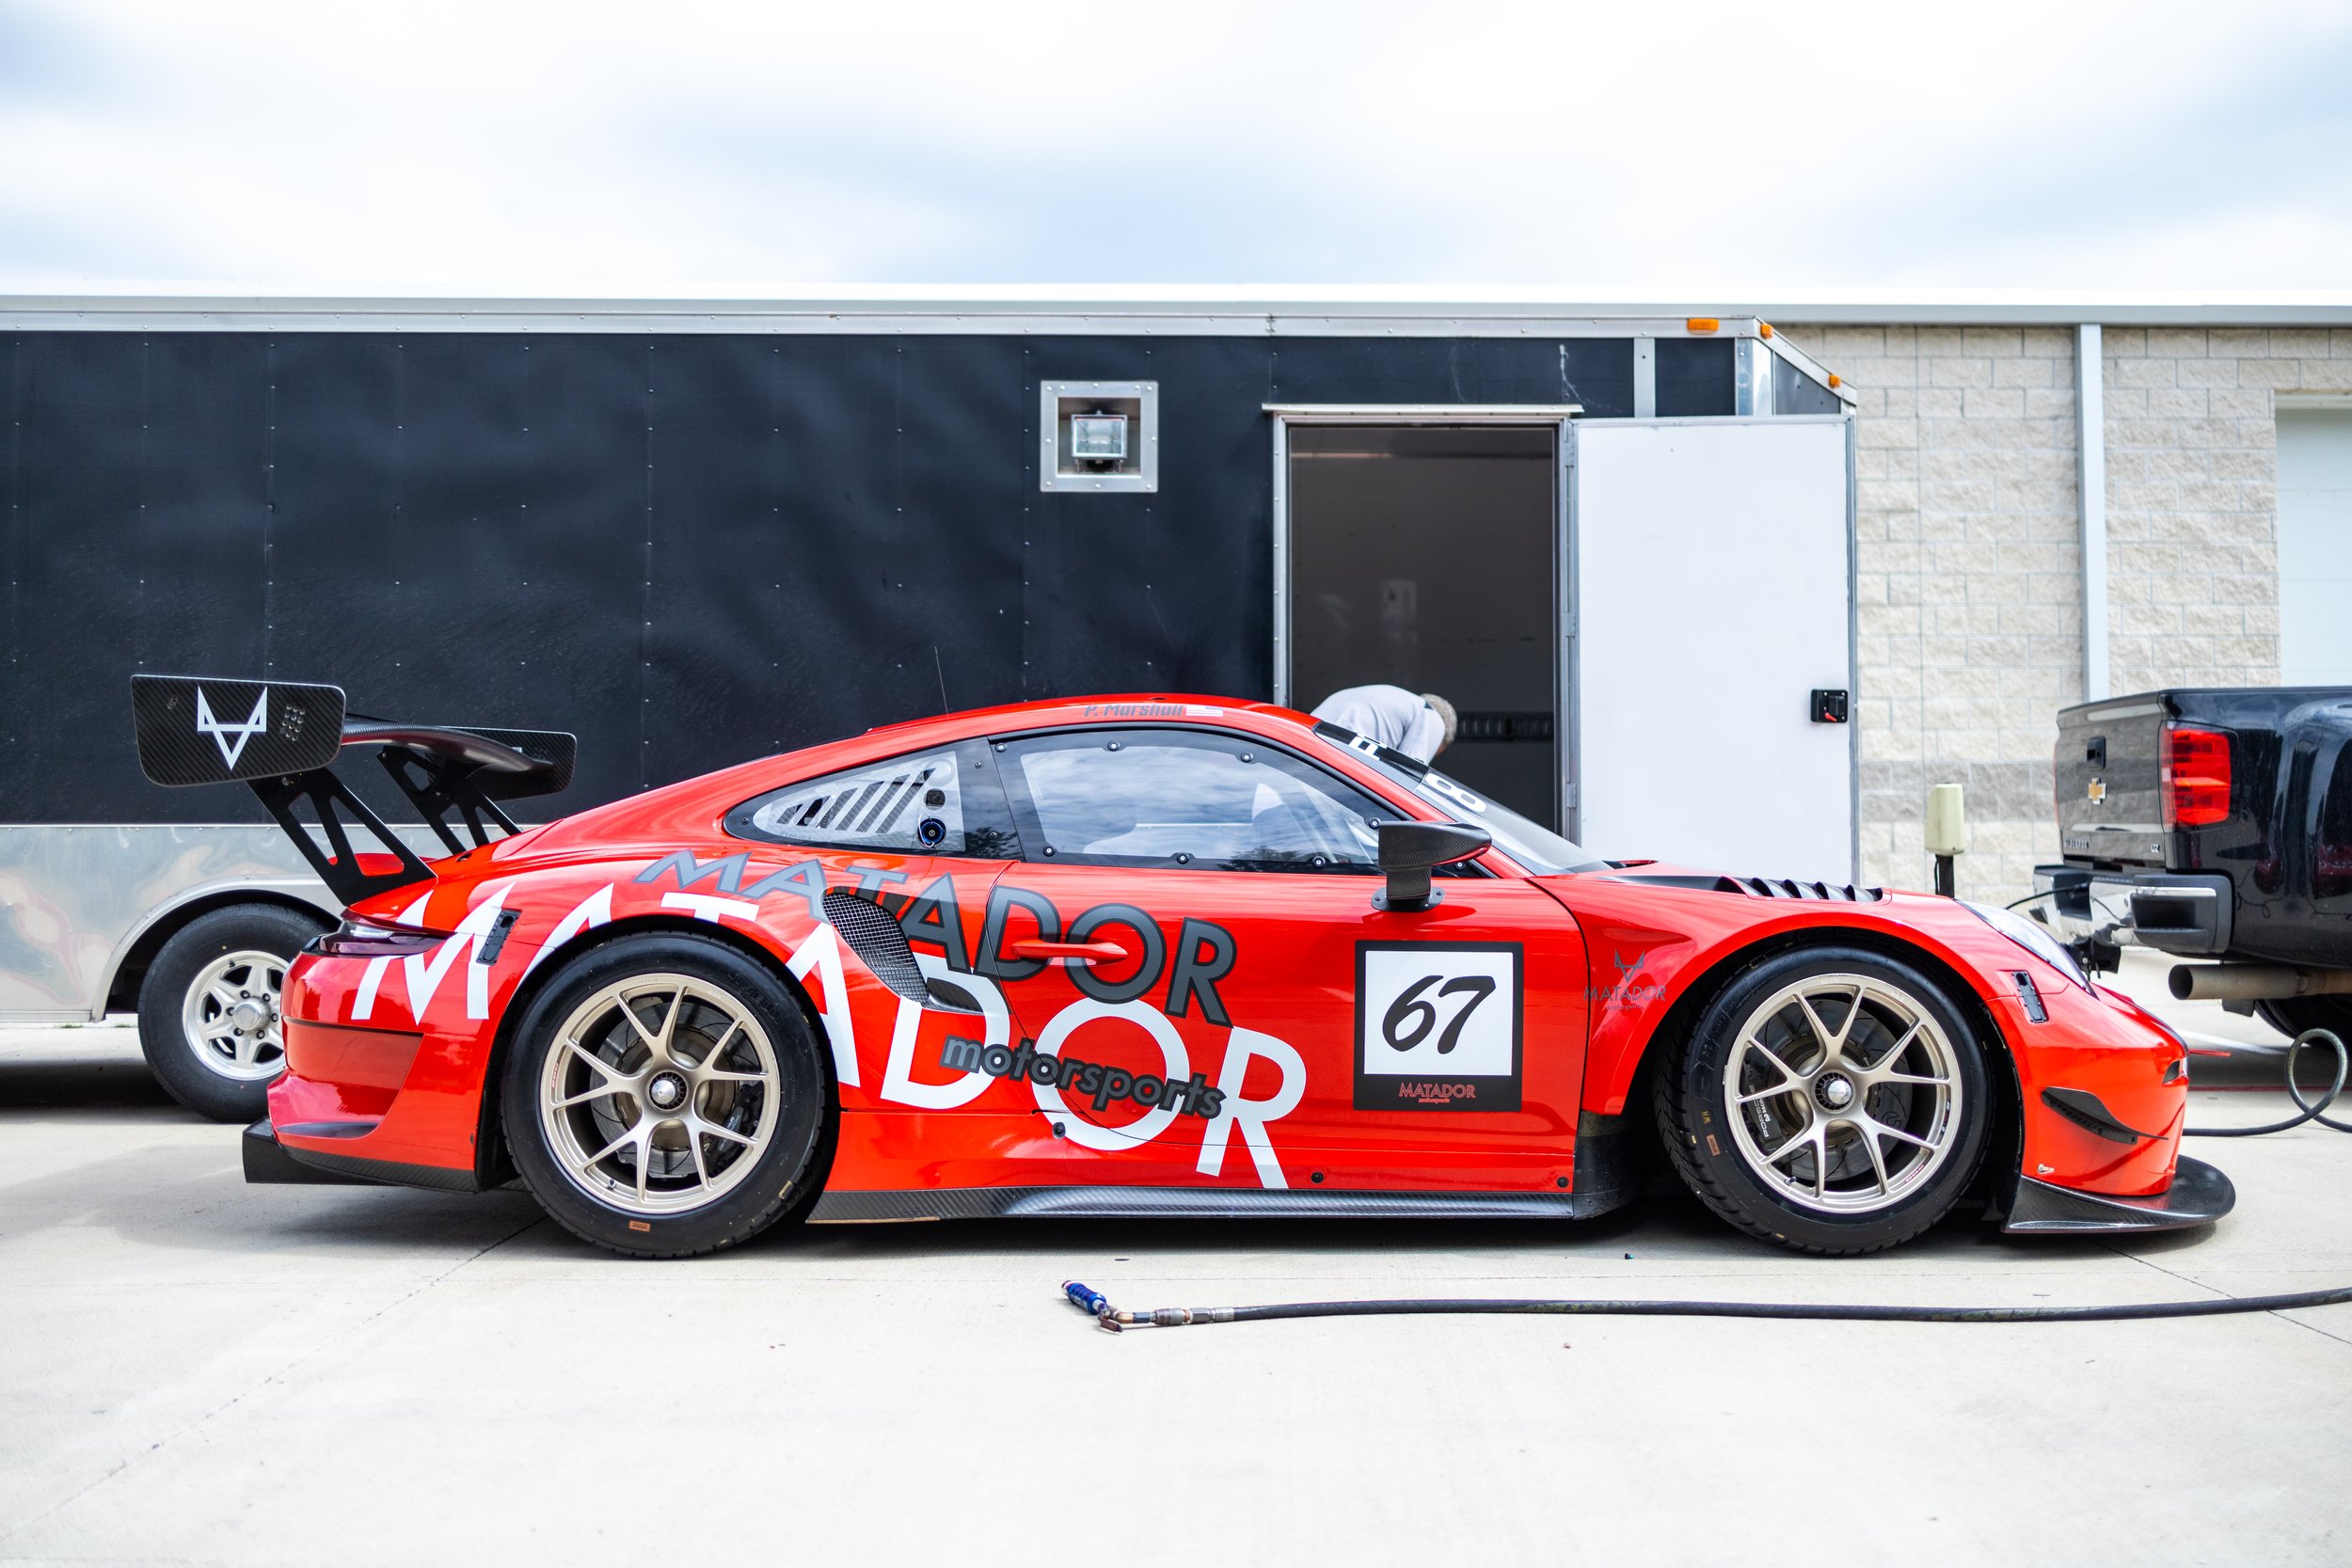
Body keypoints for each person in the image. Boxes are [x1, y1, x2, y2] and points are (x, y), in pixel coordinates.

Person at [1310, 685, 1457, 763]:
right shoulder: (1432, 718)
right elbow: (1407, 776)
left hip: (1308, 738)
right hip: (1340, 748)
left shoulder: (1398, 700)